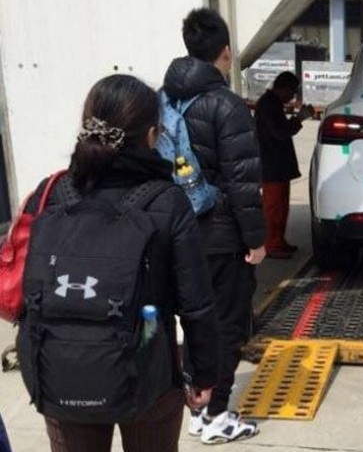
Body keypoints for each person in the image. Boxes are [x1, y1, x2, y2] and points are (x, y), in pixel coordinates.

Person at [20, 74, 218, 452]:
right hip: (147, 378)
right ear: (151, 136)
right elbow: (196, 303)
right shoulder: (167, 202)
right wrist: (203, 373)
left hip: (61, 374)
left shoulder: (51, 194)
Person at [162, 8, 266, 444]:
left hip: (176, 230)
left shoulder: (163, 98)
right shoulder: (226, 105)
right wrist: (256, 240)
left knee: (194, 322)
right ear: (226, 52)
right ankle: (217, 414)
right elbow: (243, 181)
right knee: (228, 325)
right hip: (222, 236)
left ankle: (195, 410)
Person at [254, 71, 313, 259]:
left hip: (278, 164)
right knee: (273, 207)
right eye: (292, 91)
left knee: (281, 205)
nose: (292, 97)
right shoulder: (268, 105)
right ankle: (271, 244)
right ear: (283, 88)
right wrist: (299, 118)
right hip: (272, 164)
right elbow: (280, 132)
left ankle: (278, 239)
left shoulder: (273, 104)